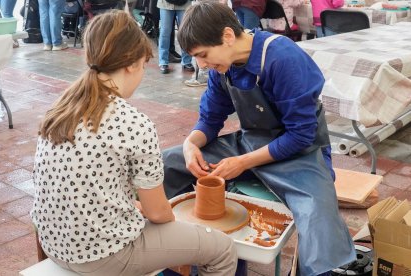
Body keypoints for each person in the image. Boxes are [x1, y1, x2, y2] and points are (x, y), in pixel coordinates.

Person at [31, 10, 237, 276]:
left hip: (54, 242)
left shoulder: (61, 107)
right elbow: (159, 214)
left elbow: (91, 181)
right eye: (143, 65)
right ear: (131, 63)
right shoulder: (133, 123)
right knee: (222, 249)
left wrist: (133, 207)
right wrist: (176, 228)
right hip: (100, 256)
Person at [163, 2, 356, 275]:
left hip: (300, 153)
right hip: (251, 142)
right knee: (167, 164)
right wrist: (190, 144)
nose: (202, 64)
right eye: (197, 58)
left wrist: (242, 163)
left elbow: (300, 135)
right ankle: (167, 255)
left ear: (228, 36)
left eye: (203, 55)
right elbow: (210, 119)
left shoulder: (283, 58)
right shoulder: (223, 66)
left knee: (319, 221)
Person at [157, 0, 194, 74]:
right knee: (165, 33)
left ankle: (186, 61)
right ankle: (163, 62)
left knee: (185, 32)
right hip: (165, 4)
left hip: (185, 4)